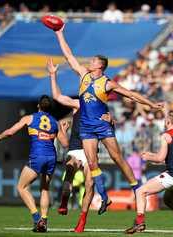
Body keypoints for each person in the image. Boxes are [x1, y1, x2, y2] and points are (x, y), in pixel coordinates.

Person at [54, 25, 163, 215]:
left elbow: (131, 94)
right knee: (93, 162)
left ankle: (136, 187)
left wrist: (151, 105)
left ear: (100, 66)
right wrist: (59, 33)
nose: (89, 61)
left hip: (102, 124)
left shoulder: (107, 83)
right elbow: (69, 56)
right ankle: (104, 196)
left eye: (93, 60)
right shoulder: (84, 76)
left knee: (117, 157)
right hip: (87, 127)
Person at [48, 58, 112, 232]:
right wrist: (53, 75)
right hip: (76, 147)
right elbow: (58, 97)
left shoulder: (102, 108)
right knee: (69, 175)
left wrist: (110, 120)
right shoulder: (79, 103)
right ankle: (63, 202)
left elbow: (109, 126)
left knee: (90, 185)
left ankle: (82, 221)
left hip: (91, 150)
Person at [0, 95, 69, 232]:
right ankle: (44, 220)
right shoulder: (55, 122)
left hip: (38, 156)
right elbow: (65, 143)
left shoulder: (29, 118)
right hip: (51, 157)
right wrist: (62, 130)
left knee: (21, 187)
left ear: (38, 105)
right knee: (45, 188)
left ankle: (37, 218)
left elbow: (11, 132)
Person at [125, 109, 173, 234]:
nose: (164, 121)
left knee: (140, 191)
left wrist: (149, 156)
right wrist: (156, 159)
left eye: (165, 119)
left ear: (168, 121)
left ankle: (139, 222)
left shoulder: (166, 135)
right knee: (169, 200)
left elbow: (160, 158)